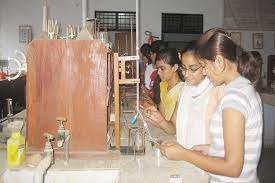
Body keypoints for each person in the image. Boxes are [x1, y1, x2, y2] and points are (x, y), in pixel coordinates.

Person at [160, 28, 263, 183]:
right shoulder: (243, 88)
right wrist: (212, 149)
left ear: (220, 62)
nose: (206, 73)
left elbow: (233, 168)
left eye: (205, 66)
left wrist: (184, 154)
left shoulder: (234, 98)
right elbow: (241, 145)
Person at [176, 43, 223, 149]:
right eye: (183, 68)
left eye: (193, 69)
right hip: (184, 152)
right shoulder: (184, 89)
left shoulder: (217, 90)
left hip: (208, 158)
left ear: (205, 65)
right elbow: (174, 127)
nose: (186, 74)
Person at [141, 48, 184, 134]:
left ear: (175, 68)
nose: (159, 73)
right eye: (158, 69)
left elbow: (173, 130)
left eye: (162, 69)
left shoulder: (182, 90)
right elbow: (162, 119)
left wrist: (149, 118)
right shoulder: (163, 85)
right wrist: (145, 116)